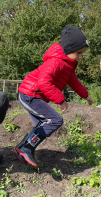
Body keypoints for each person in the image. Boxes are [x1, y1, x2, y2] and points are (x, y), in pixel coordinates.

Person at [14, 24, 93, 167]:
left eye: (83, 53)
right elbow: (43, 82)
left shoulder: (69, 64)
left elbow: (73, 81)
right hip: (29, 94)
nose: (81, 57)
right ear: (69, 49)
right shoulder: (55, 62)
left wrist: (85, 95)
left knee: (43, 124)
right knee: (55, 120)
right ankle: (26, 148)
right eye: (79, 53)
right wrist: (61, 100)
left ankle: (23, 148)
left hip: (35, 96)